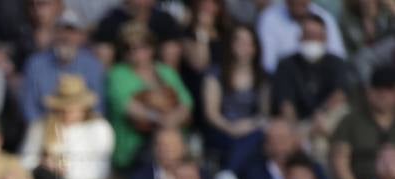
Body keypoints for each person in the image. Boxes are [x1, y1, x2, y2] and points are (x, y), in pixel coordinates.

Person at [20, 73, 116, 179]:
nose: (68, 111)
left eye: (73, 106)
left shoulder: (99, 128)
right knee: (42, 175)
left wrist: (69, 168)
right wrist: (45, 163)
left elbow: (100, 165)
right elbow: (25, 160)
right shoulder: (41, 127)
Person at [108, 21, 194, 169]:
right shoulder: (117, 74)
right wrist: (162, 119)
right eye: (129, 48)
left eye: (142, 46)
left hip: (174, 142)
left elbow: (186, 103)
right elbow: (128, 106)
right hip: (138, 148)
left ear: (152, 47)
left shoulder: (166, 72)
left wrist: (172, 119)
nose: (136, 53)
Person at [271, 12, 351, 154]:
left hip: (326, 118)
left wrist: (322, 114)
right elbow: (286, 104)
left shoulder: (337, 63)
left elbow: (340, 94)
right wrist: (297, 129)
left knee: (340, 115)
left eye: (316, 36)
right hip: (300, 124)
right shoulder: (286, 65)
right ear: (300, 37)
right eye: (308, 35)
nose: (312, 40)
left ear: (325, 38)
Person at [20, 8, 108, 124]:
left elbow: (98, 107)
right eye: (60, 30)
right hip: (45, 128)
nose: (65, 36)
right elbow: (29, 109)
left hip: (82, 128)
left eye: (71, 30)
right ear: (53, 33)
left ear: (81, 36)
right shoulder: (35, 64)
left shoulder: (92, 65)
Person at [202, 23, 270, 170]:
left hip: (251, 128)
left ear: (255, 47)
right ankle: (230, 175)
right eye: (239, 41)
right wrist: (230, 127)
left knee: (256, 138)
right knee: (240, 143)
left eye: (248, 42)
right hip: (222, 128)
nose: (243, 46)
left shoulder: (263, 77)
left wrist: (249, 125)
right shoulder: (215, 74)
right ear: (231, 44)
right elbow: (211, 112)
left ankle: (229, 173)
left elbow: (265, 113)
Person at [237, 116, 333, 179]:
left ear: (294, 140)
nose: (279, 145)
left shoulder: (312, 169)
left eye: (283, 139)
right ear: (266, 145)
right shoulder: (254, 174)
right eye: (274, 140)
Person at [331, 65, 395, 179]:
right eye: (378, 88)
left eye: (389, 89)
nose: (383, 94)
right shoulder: (350, 121)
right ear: (369, 91)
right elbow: (340, 162)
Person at [257, 0, 346, 72]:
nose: (297, 2)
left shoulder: (325, 18)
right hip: (284, 81)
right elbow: (268, 63)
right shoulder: (269, 18)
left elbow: (338, 57)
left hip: (322, 82)